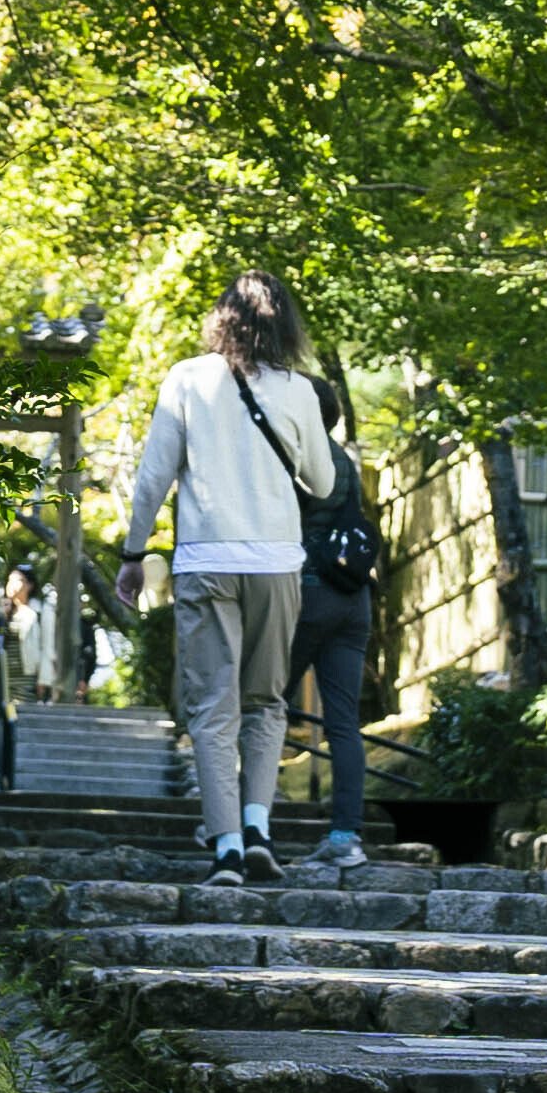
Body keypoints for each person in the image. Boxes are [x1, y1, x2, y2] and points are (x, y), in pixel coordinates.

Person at [117, 269, 333, 886]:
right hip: (275, 564)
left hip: (206, 562)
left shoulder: (187, 379)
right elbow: (323, 482)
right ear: (284, 325)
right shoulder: (298, 390)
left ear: (222, 320)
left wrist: (135, 553)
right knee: (266, 702)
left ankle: (229, 849)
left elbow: (153, 476)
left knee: (213, 709)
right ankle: (261, 827)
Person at [291, 373, 384, 869]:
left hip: (308, 595)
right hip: (354, 600)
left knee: (260, 707)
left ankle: (241, 830)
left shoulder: (295, 459)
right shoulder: (345, 460)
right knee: (344, 723)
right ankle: (346, 837)